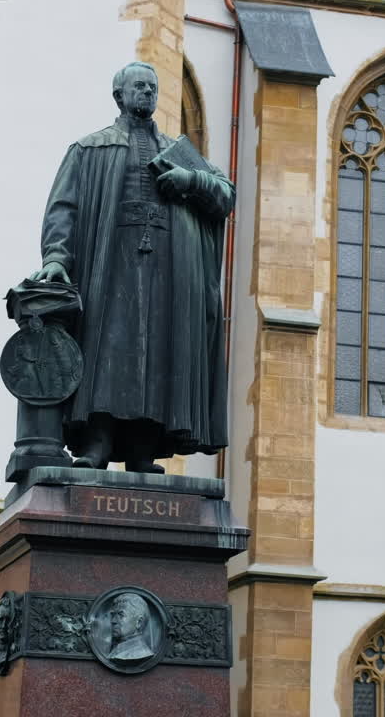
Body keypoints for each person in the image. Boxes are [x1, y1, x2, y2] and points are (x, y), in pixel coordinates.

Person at [30, 61, 235, 473]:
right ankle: (97, 443)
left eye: (152, 88)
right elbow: (63, 209)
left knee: (158, 354)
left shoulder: (177, 152)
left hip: (168, 270)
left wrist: (191, 181)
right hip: (109, 266)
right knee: (109, 351)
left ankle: (144, 449)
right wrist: (55, 257)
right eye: (139, 86)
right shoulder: (90, 148)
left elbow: (225, 194)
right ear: (119, 95)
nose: (147, 93)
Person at [107, 593, 155, 663]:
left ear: (139, 622)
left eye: (121, 615)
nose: (113, 621)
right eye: (113, 615)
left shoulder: (141, 653)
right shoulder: (115, 649)